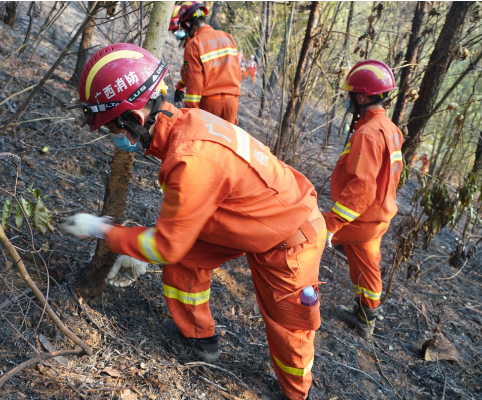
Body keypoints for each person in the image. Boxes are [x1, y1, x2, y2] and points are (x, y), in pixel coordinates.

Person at [63, 43, 325, 400]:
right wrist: (140, 248)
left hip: (289, 238)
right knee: (185, 261)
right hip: (244, 218)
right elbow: (180, 233)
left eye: (111, 129)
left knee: (289, 327)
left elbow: (166, 244)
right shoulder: (183, 125)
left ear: (133, 119)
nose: (114, 138)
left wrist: (103, 231)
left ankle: (298, 393)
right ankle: (200, 339)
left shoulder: (190, 158)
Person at [324, 60, 403, 339]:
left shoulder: (368, 133)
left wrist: (331, 224)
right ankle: (366, 318)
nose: (347, 100)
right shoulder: (391, 128)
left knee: (306, 231)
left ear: (360, 97)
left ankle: (296, 299)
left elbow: (362, 190)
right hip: (380, 216)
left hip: (361, 217)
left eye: (350, 95)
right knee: (367, 265)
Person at [173, 2, 242, 124]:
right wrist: (180, 86)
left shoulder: (194, 44)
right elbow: (237, 72)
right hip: (232, 103)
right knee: (227, 141)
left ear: (188, 23)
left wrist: (191, 113)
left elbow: (195, 83)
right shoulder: (228, 37)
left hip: (210, 104)